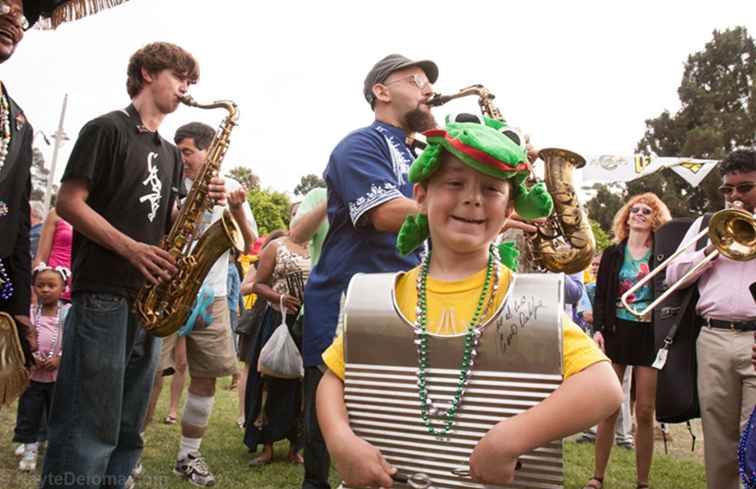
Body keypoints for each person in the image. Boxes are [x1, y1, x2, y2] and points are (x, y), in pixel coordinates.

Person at [316, 115, 623, 488]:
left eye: (492, 189)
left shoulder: (526, 302)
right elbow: (333, 378)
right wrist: (341, 441)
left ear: (510, 210)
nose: (472, 198)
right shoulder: (381, 296)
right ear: (421, 195)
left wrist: (512, 438)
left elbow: (604, 387)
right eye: (454, 182)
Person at [39, 42, 229, 489]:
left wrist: (203, 201)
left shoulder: (167, 152)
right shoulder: (106, 129)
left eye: (191, 82)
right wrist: (131, 249)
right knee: (89, 422)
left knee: (127, 427)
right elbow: (68, 202)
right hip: (104, 291)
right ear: (147, 73)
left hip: (150, 301)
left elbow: (165, 224)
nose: (186, 88)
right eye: (179, 77)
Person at [301, 53, 439, 489]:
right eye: (416, 80)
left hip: (402, 300)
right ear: (381, 91)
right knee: (333, 427)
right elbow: (383, 213)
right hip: (351, 303)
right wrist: (465, 208)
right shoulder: (361, 144)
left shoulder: (421, 153)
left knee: (390, 428)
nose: (429, 90)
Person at [159, 121, 257, 486]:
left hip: (212, 294)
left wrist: (234, 209)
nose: (181, 158)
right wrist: (186, 204)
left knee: (205, 380)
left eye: (187, 151)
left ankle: (188, 456)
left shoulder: (231, 187)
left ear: (209, 150)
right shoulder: (168, 180)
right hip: (168, 291)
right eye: (179, 150)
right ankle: (128, 454)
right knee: (148, 374)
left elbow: (248, 245)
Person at [666, 149, 756, 489]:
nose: (734, 197)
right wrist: (710, 249)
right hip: (714, 338)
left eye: (744, 188)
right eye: (727, 190)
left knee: (754, 436)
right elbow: (672, 274)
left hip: (755, 340)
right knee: (718, 436)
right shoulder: (706, 226)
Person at [585, 193, 672, 489]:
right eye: (634, 210)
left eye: (646, 211)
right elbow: (600, 296)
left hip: (648, 334)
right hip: (616, 331)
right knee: (610, 405)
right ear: (626, 216)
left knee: (645, 410)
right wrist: (598, 329)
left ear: (655, 218)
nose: (639, 214)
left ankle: (643, 482)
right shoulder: (612, 253)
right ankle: (598, 477)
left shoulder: (662, 253)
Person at [0, 0, 43, 409]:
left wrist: (19, 308)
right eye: (4, 5)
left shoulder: (18, 121)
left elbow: (16, 223)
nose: (14, 20)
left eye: (22, 15)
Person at [244, 229, 310, 466]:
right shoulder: (276, 246)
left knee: (304, 386)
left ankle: (297, 447)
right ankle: (267, 446)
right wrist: (280, 298)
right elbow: (257, 285)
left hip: (310, 325)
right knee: (271, 381)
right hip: (278, 322)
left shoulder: (320, 246)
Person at [13, 263, 70, 472]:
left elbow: (72, 340)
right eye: (40, 285)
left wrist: (60, 358)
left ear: (63, 288)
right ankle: (30, 449)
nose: (45, 289)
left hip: (56, 377)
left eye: (51, 285)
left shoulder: (67, 314)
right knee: (30, 413)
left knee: (55, 413)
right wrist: (32, 355)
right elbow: (23, 339)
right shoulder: (30, 313)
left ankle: (50, 445)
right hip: (33, 377)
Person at [33, 207, 73, 302]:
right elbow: (40, 257)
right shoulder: (56, 213)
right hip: (51, 291)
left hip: (83, 293)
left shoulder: (99, 214)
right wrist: (34, 296)